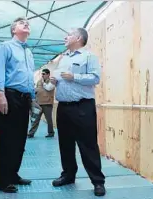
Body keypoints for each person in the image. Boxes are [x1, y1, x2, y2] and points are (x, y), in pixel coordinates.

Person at [50, 28, 106, 196]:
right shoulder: (63, 58)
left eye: (69, 34)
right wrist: (55, 80)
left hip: (83, 107)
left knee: (88, 145)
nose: (65, 37)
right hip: (63, 107)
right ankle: (68, 175)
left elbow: (95, 78)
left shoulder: (89, 57)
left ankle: (97, 181)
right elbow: (61, 78)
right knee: (65, 144)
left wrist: (74, 77)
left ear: (79, 38)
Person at [0, 17, 35, 193]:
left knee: (20, 139)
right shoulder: (5, 47)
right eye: (21, 23)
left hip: (24, 98)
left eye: (27, 24)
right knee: (7, 139)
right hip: (9, 95)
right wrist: (0, 94)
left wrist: (32, 97)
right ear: (13, 30)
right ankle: (2, 180)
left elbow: (29, 76)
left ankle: (13, 174)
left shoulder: (28, 52)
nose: (26, 24)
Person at [28, 68, 55, 138]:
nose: (42, 75)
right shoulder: (39, 81)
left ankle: (51, 133)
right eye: (42, 74)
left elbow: (49, 88)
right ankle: (31, 133)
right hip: (38, 104)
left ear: (48, 74)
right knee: (36, 119)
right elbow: (36, 89)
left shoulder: (52, 81)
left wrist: (43, 83)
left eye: (44, 74)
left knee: (49, 120)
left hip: (47, 104)